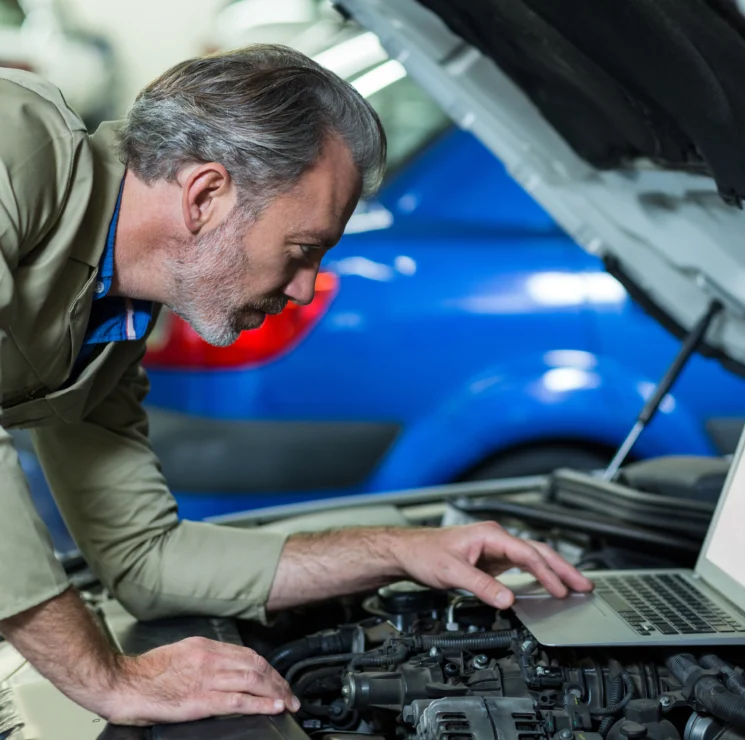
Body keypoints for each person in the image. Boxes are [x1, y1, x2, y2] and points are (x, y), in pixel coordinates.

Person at [0, 45, 593, 726]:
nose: (307, 288)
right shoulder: (15, 144)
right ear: (206, 196)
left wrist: (399, 550)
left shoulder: (111, 331)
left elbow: (149, 559)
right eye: (303, 249)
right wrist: (108, 678)